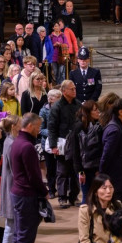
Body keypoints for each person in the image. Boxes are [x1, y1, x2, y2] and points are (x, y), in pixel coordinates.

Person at [10, 113, 47, 243]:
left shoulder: (17, 142)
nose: (39, 130)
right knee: (25, 236)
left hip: (18, 193)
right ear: (30, 126)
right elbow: (34, 176)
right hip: (26, 195)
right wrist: (44, 191)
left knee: (19, 235)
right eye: (38, 127)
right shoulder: (27, 147)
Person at [49, 80, 82, 208]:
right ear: (64, 91)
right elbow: (51, 127)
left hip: (75, 142)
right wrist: (53, 146)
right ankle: (62, 197)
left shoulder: (78, 105)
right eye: (72, 89)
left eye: (74, 88)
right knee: (62, 171)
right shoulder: (57, 107)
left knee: (75, 170)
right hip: (62, 143)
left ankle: (73, 196)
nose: (74, 90)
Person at [101, 98, 122, 209]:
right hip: (116, 182)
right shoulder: (114, 131)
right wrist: (102, 178)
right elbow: (106, 156)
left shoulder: (120, 127)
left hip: (121, 182)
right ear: (121, 112)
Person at [0, 114, 20, 243]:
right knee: (11, 226)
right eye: (19, 123)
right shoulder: (11, 143)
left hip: (9, 186)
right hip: (11, 188)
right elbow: (15, 170)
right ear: (13, 127)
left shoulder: (10, 141)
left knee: (11, 225)